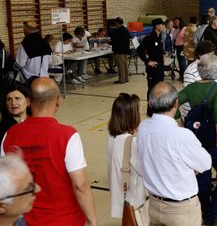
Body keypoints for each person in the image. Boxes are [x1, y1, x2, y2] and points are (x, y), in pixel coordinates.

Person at [1, 77, 97, 226]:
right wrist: (92, 220)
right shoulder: (67, 135)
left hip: (23, 219)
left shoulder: (10, 134)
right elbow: (80, 185)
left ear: (29, 101)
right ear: (58, 101)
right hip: (64, 219)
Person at [137, 82, 211, 226]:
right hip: (181, 211)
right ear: (176, 103)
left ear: (150, 104)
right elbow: (206, 163)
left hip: (154, 205)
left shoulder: (143, 128)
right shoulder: (182, 136)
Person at [175, 54, 217, 226]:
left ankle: (205, 212)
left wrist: (181, 125)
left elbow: (173, 103)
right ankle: (212, 216)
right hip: (216, 141)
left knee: (202, 177)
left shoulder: (191, 89)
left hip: (197, 141)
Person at [107, 93, 148, 221]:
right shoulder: (132, 142)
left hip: (123, 198)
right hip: (136, 201)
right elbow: (145, 170)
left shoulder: (112, 138)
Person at [0, 155, 41, 226]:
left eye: (33, 181)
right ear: (1, 206)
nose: (38, 189)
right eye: (28, 189)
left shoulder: (18, 220)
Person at [137, 18, 166, 117]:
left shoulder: (160, 36)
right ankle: (151, 110)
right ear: (157, 26)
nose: (163, 26)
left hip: (160, 67)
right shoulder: (149, 37)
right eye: (161, 25)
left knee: (159, 88)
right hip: (153, 68)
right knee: (152, 89)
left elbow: (158, 49)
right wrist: (147, 61)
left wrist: (163, 54)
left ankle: (158, 108)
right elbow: (139, 50)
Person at [111, 17, 131, 84]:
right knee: (124, 65)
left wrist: (110, 42)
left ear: (117, 22)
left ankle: (121, 79)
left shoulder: (119, 31)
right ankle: (126, 78)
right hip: (125, 50)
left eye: (115, 22)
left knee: (121, 66)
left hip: (119, 51)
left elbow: (116, 41)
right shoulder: (125, 29)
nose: (114, 24)